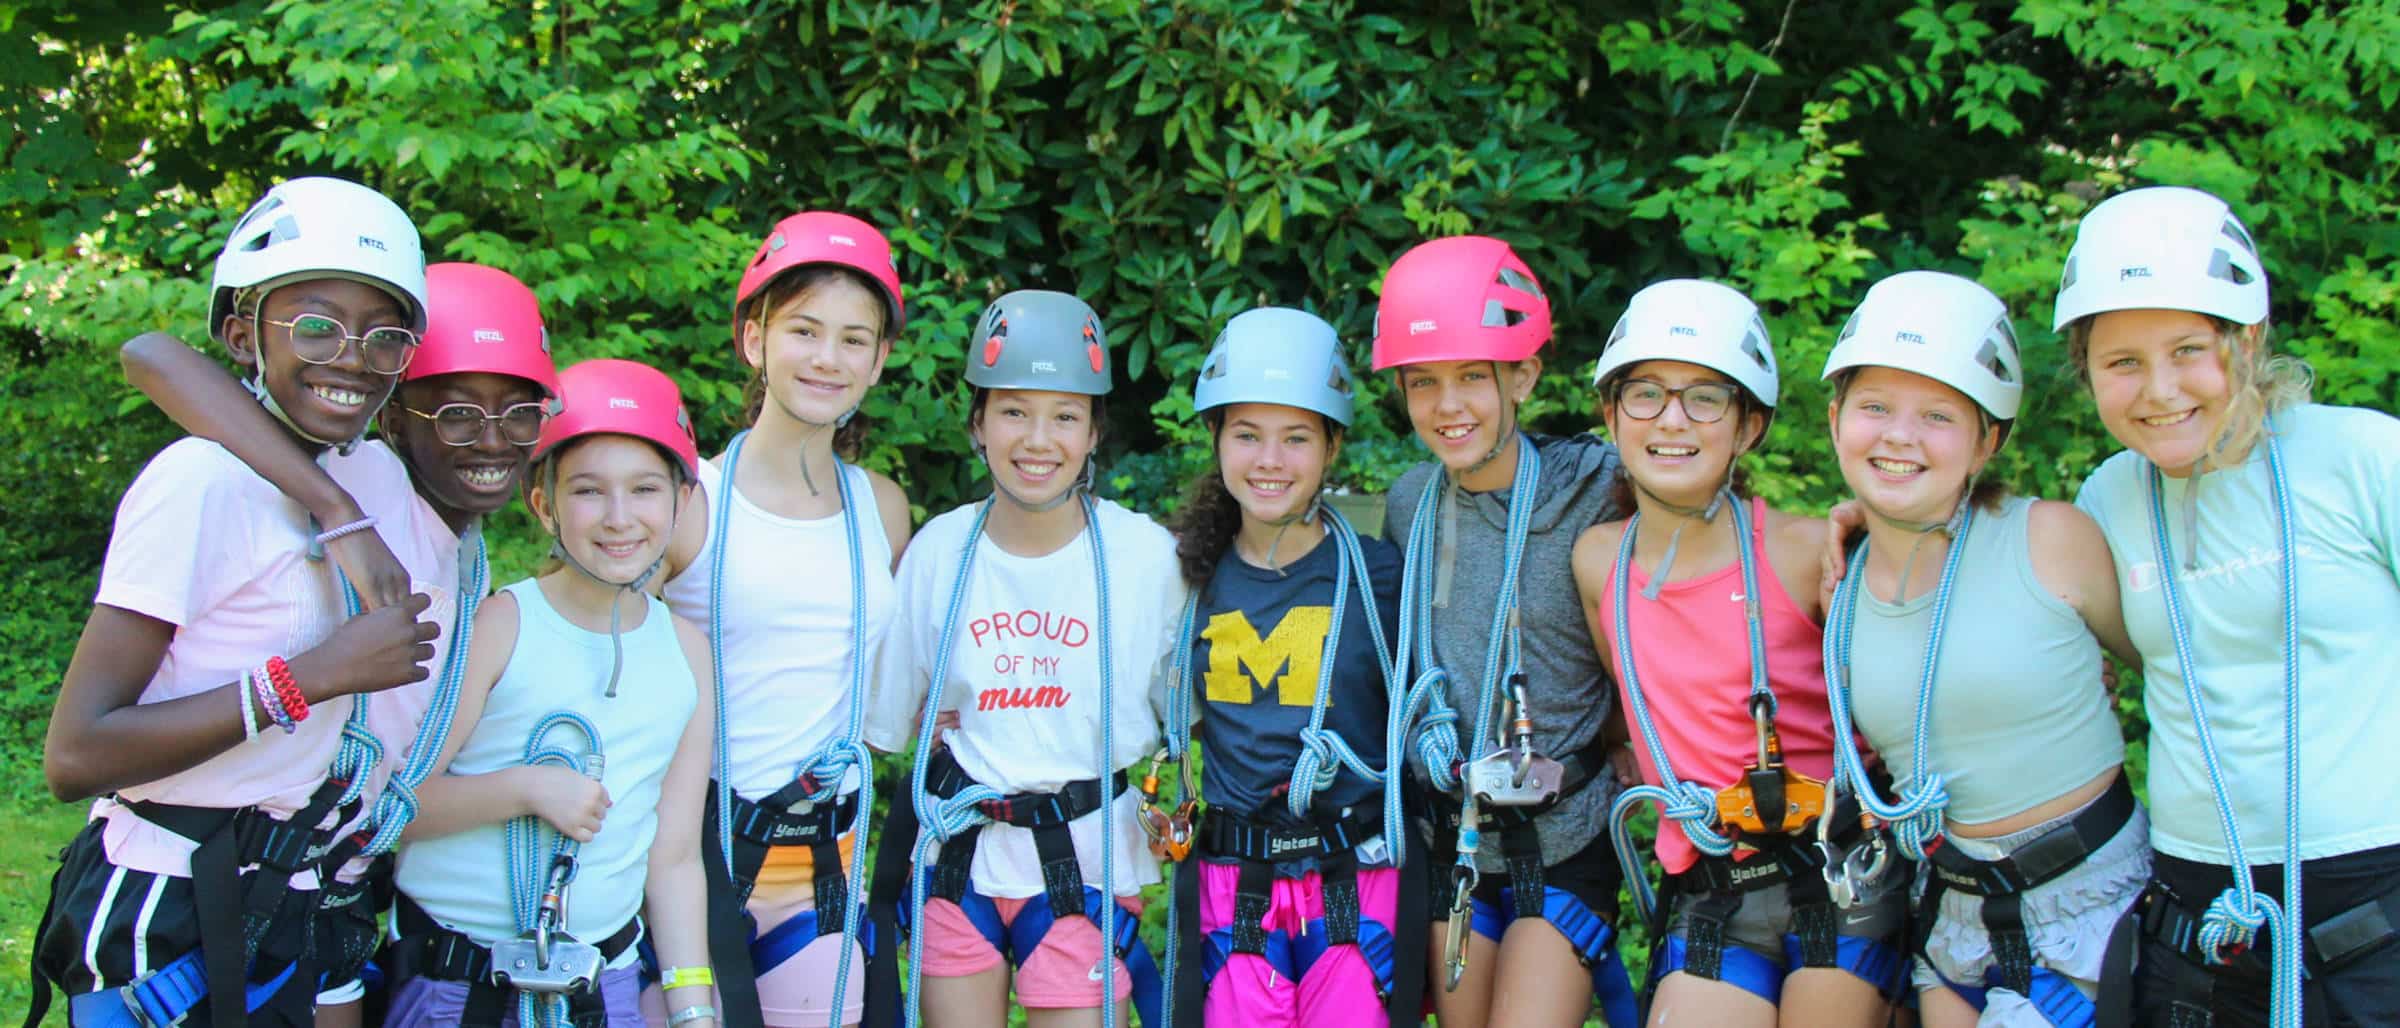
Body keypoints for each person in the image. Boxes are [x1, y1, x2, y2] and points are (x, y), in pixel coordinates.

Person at [30, 176, 440, 1027]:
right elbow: (75, 755)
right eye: (319, 326)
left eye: (384, 336)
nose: (353, 358)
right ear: (241, 336)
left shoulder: (370, 472)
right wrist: (311, 678)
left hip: (287, 898)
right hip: (168, 903)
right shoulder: (197, 485)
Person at [115, 260, 566, 1025]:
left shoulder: (466, 552)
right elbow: (152, 355)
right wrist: (339, 514)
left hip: (330, 893)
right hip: (217, 883)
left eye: (519, 412)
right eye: (454, 414)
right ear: (392, 415)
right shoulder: (369, 482)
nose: (490, 440)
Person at [2057, 186, 2400, 1026]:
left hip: (2375, 894)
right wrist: (1866, 526)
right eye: (2122, 363)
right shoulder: (2109, 498)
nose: (2159, 390)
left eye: (2187, 350)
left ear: (2246, 343)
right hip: (2201, 909)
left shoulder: (2360, 456)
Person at [1817, 270, 2146, 1026]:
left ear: (1986, 441)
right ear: (1836, 420)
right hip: (1956, 922)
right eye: (1875, 407)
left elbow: (2159, 668)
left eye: (1938, 415)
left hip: (2091, 901)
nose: (1899, 435)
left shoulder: (2049, 540)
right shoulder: (1839, 584)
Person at [1573, 279, 1904, 1026]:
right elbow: (1627, 700)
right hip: (1715, 884)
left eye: (1706, 399)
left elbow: (1904, 673)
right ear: (1611, 413)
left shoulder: (1801, 551)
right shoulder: (1599, 561)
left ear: (1748, 427)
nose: (1672, 420)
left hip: (1840, 870)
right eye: (1646, 393)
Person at [865, 290, 1186, 1028]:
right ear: (977, 423)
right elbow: (890, 719)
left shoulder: (1146, 559)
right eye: (1013, 411)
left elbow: (1187, 713)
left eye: (1065, 416)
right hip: (960, 862)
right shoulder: (940, 552)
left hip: (1089, 861)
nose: (1037, 439)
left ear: (1094, 432)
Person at [380, 359, 717, 1028]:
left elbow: (674, 856)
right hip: (459, 984)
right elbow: (396, 807)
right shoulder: (503, 624)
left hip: (602, 986)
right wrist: (524, 789)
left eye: (645, 489)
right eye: (588, 491)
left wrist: (692, 1007)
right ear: (544, 505)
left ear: (680, 502)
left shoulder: (686, 653)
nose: (620, 518)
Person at [651, 211, 913, 1028]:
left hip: (822, 863)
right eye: (804, 330)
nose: (828, 358)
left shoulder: (882, 508)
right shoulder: (689, 501)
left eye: (853, 338)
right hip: (689, 856)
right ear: (754, 338)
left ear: (879, 360)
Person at [1372, 235, 1638, 1028]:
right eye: (1425, 383)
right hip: (1453, 832)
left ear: (1522, 375)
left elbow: (1702, 501)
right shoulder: (1411, 503)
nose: (1448, 406)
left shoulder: (1597, 484)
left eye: (1472, 378)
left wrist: (1853, 519)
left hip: (1565, 834)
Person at [1157, 307, 1419, 1026]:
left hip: (1356, 875)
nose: (1269, 460)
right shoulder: (1185, 576)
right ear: (1215, 437)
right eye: (1247, 435)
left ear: (1332, 446)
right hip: (1233, 876)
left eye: (1296, 437)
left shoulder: (1378, 576)